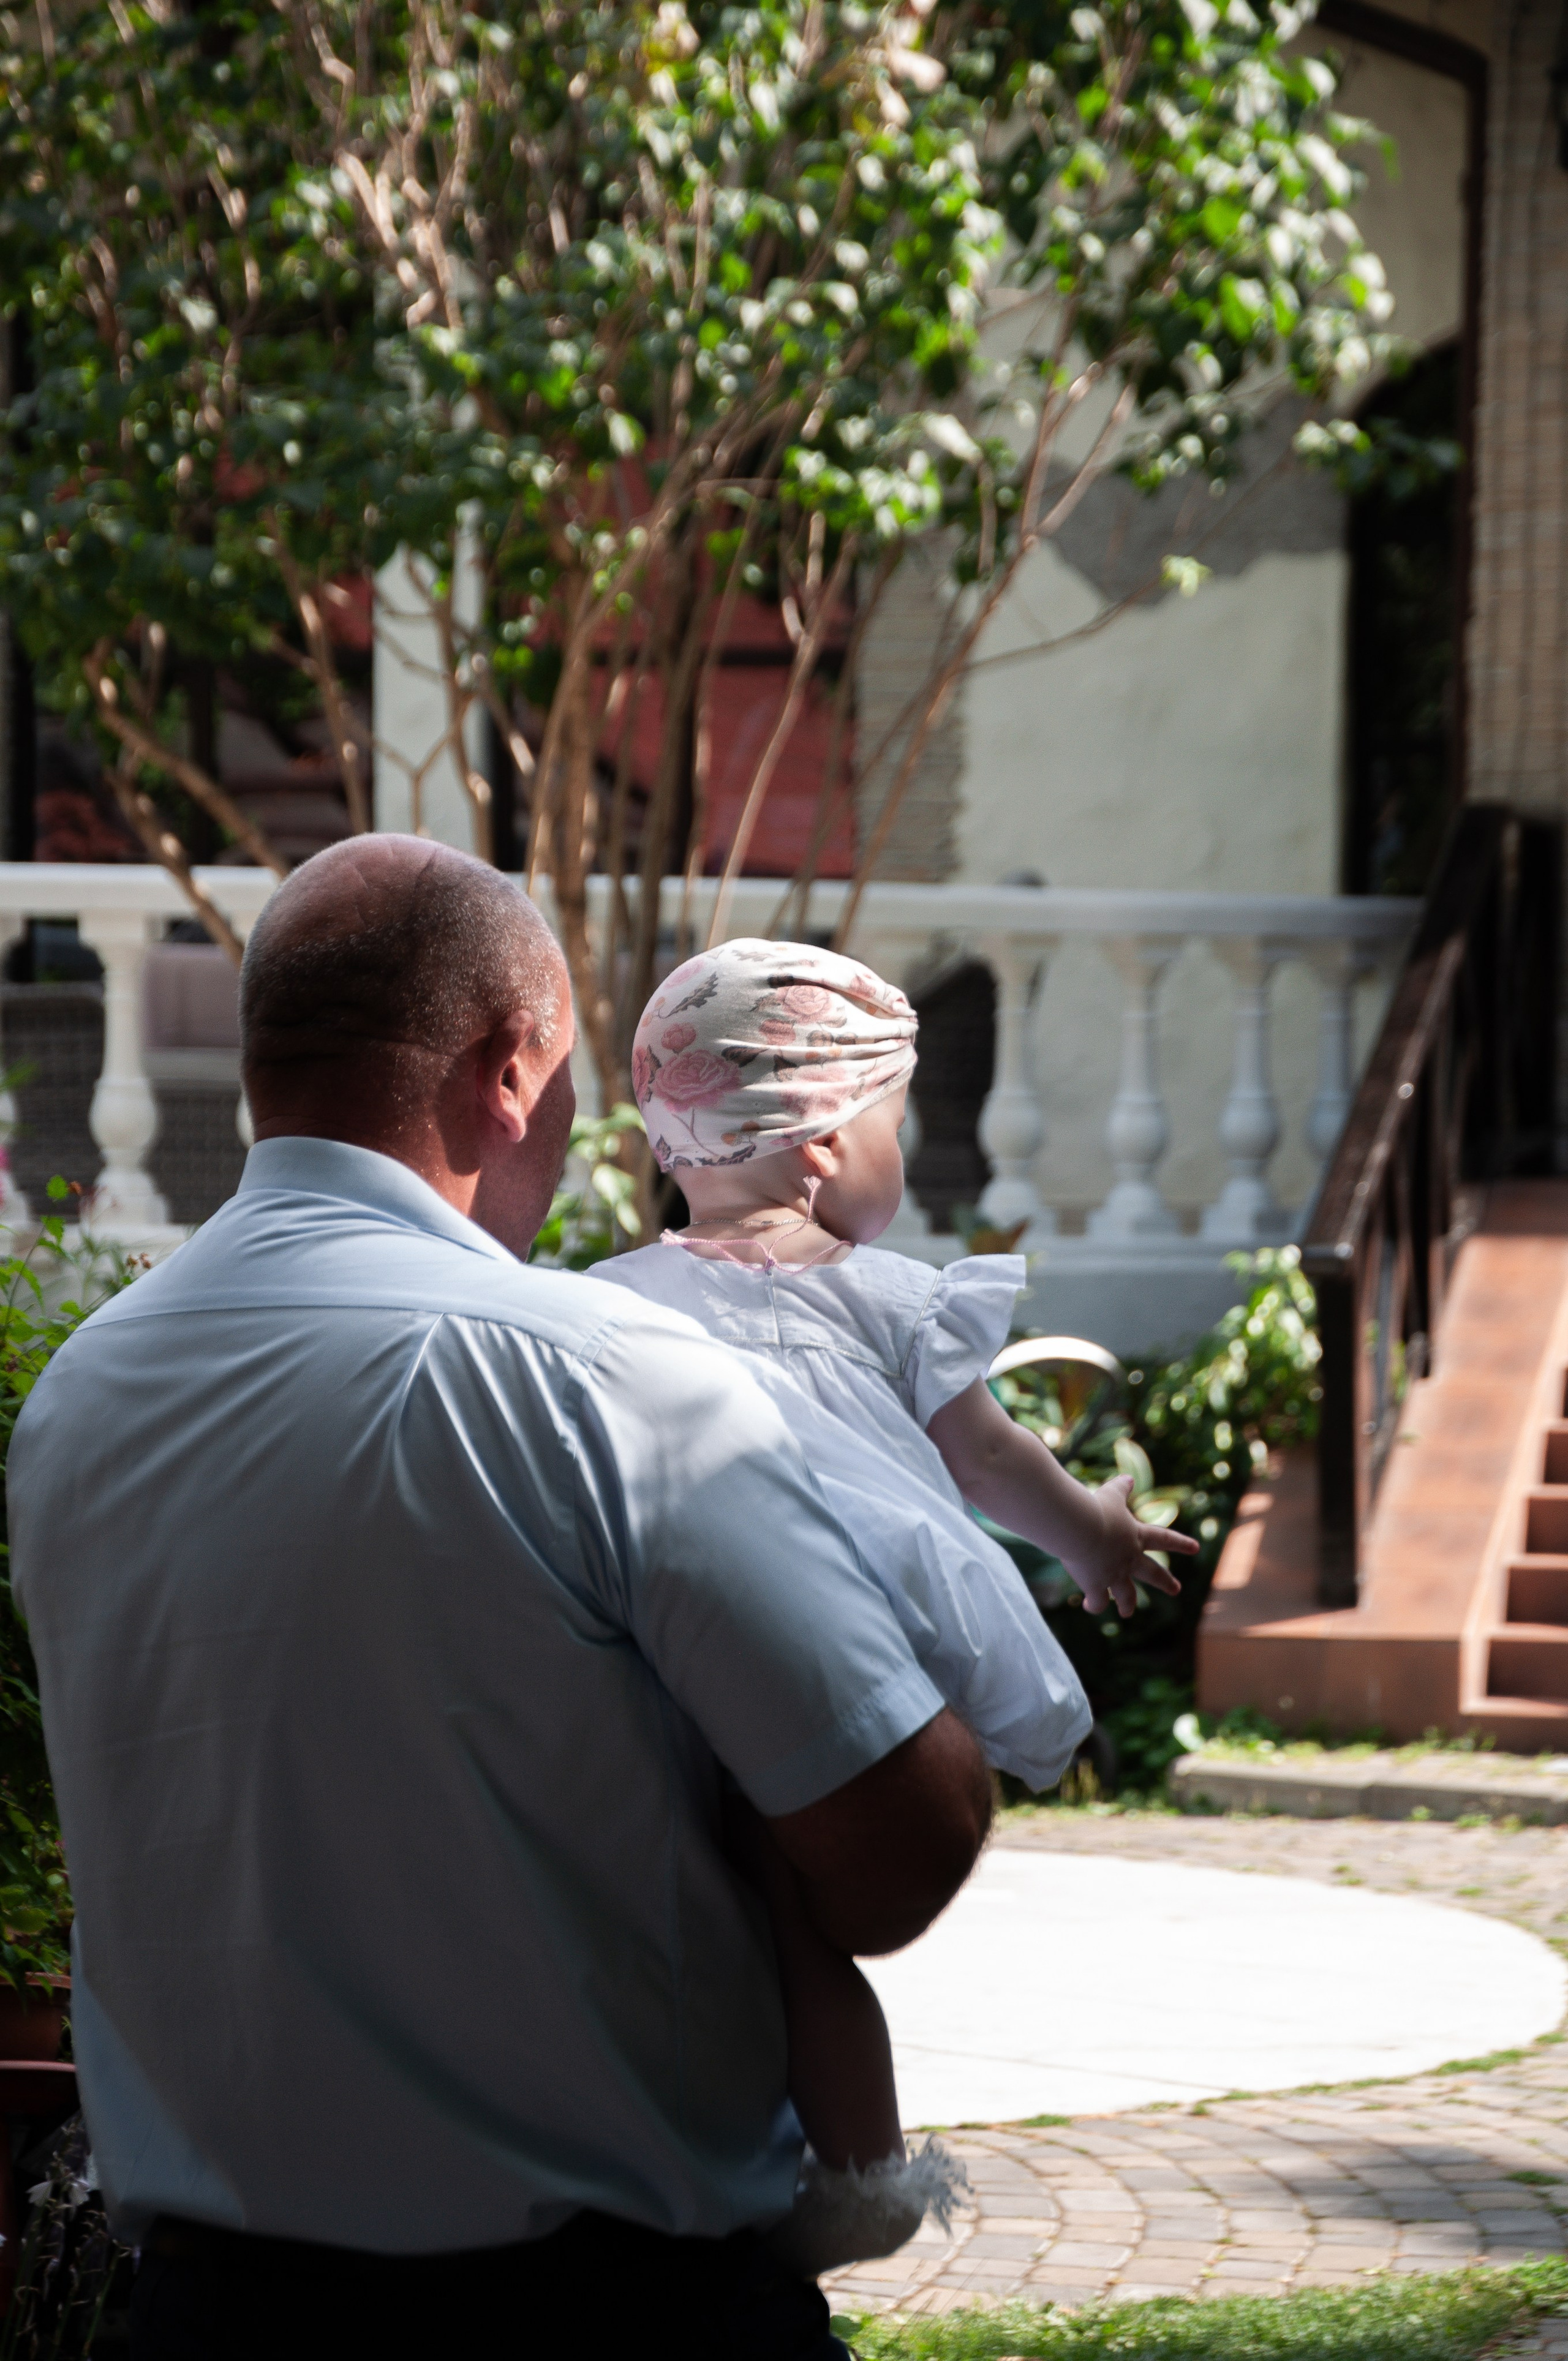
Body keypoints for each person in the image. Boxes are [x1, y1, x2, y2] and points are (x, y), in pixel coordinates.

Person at [8, 841, 1002, 2361]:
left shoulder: (81, 1394)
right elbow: (899, 1846)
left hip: (212, 2317)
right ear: (508, 1067)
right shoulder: (597, 1370)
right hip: (603, 2317)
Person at [598, 938, 1198, 2267]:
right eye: (890, 1122)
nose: (897, 1153)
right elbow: (989, 1461)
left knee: (683, 1904)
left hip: (668, 1648)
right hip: (839, 1656)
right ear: (816, 1145)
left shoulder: (608, 1304)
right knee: (802, 1923)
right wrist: (1094, 1533)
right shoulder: (882, 1298)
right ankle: (859, 2178)